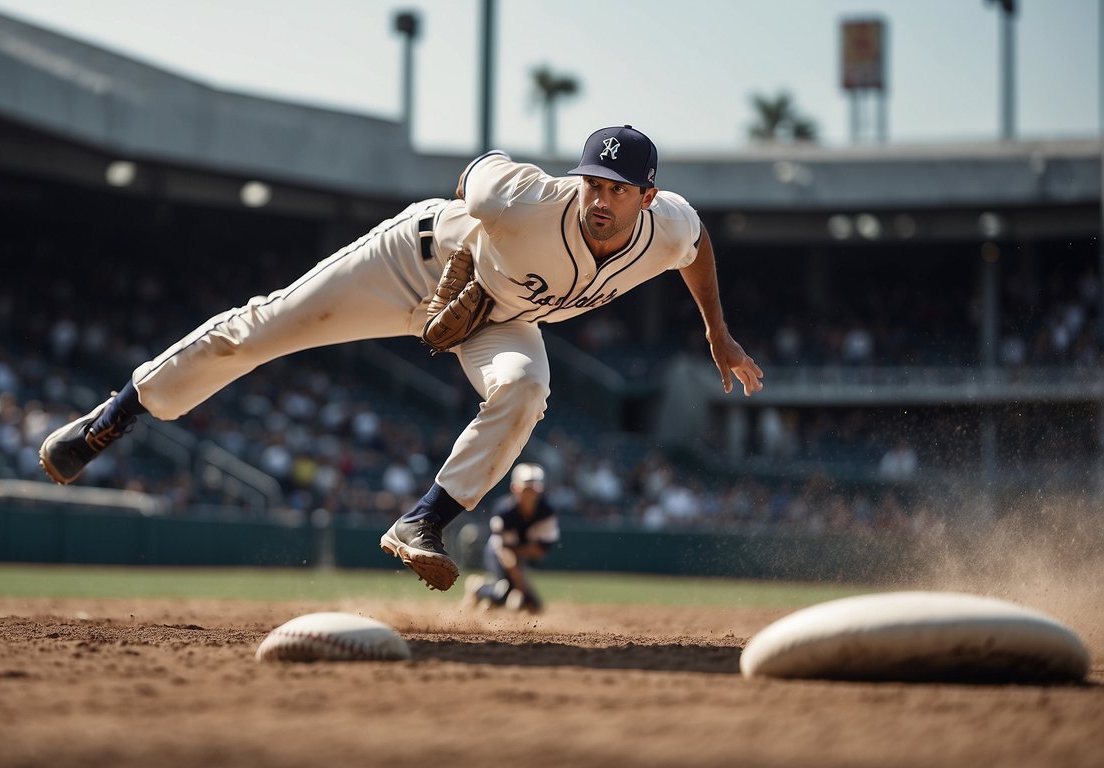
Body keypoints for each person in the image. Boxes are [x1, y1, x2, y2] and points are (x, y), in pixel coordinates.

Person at [39, 125, 764, 592]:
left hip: (499, 317)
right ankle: (115, 416)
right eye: (591, 183)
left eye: (615, 189)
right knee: (258, 331)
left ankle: (424, 521)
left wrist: (716, 332)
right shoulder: (527, 200)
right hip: (413, 263)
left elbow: (697, 254)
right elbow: (477, 170)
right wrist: (467, 252)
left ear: (648, 196)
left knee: (525, 388)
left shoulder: (668, 228)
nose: (599, 198)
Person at [463, 462, 558, 613]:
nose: (530, 494)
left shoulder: (546, 512)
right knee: (504, 589)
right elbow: (507, 555)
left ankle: (496, 599)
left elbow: (541, 550)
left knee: (511, 591)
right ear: (515, 488)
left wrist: (525, 590)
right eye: (526, 489)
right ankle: (478, 588)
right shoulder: (504, 512)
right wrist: (528, 593)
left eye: (534, 489)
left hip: (518, 551)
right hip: (497, 551)